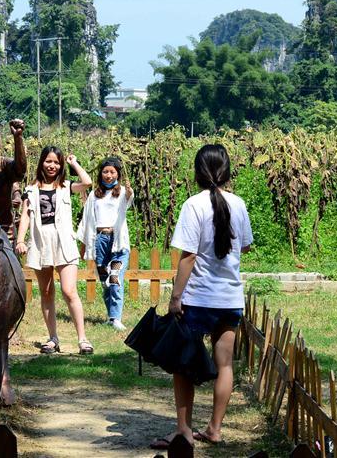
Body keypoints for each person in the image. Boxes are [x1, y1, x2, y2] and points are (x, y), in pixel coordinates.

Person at [151, 144, 253, 450]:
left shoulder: (193, 205)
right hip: (230, 298)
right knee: (225, 365)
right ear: (227, 171)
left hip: (198, 298)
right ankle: (215, 429)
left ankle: (183, 430)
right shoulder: (238, 204)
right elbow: (245, 246)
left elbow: (189, 255)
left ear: (198, 172)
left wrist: (175, 297)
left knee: (184, 366)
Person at [15, 147, 94, 355]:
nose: (52, 166)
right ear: (42, 163)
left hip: (64, 242)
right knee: (47, 292)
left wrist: (73, 163)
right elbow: (26, 215)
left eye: (56, 163)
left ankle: (83, 339)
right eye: (49, 161)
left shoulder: (66, 186)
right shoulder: (31, 189)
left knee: (69, 291)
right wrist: (20, 239)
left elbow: (87, 183)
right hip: (41, 242)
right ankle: (52, 338)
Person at [76, 157, 133, 331]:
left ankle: (116, 318)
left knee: (114, 278)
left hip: (118, 241)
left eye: (112, 172)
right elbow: (86, 221)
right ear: (101, 173)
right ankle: (110, 316)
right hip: (100, 241)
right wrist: (84, 245)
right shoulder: (94, 195)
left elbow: (129, 199)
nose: (108, 175)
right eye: (105, 172)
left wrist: (130, 191)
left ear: (118, 174)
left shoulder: (123, 192)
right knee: (105, 281)